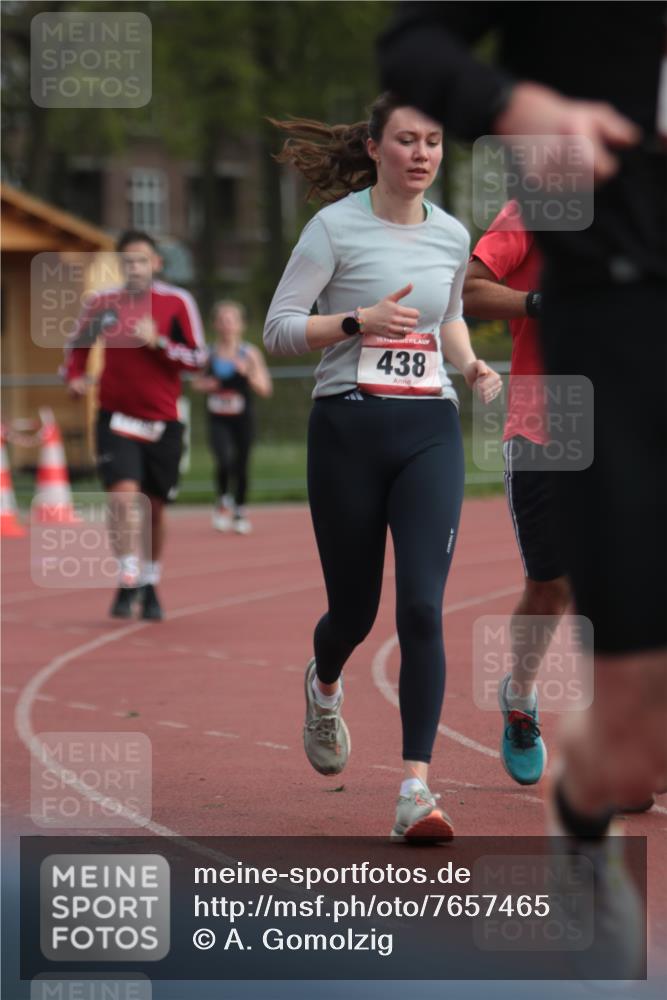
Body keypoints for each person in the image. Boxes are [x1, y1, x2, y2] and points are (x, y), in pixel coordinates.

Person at [379, 1, 666, 975]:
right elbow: (412, 43)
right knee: (602, 684)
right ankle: (572, 797)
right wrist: (517, 100)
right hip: (592, 370)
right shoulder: (530, 202)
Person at [263, 93, 502, 841]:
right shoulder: (333, 228)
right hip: (347, 429)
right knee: (355, 613)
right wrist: (353, 323)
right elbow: (277, 331)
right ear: (374, 148)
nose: (422, 153)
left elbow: (449, 313)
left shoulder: (453, 234)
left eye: (433, 140)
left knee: (423, 608)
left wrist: (466, 365)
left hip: (428, 428)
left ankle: (414, 791)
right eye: (406, 140)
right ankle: (324, 682)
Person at [463, 200, 569, 786]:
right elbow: (470, 291)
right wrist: (539, 303)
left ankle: (630, 731)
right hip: (545, 432)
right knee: (550, 588)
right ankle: (521, 696)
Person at [64, 230, 208, 621]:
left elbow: (197, 358)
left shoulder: (177, 302)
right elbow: (77, 346)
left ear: (157, 264)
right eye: (127, 261)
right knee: (123, 498)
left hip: (162, 420)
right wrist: (74, 376)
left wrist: (158, 341)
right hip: (115, 416)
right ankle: (128, 574)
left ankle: (149, 580)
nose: (135, 267)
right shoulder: (103, 303)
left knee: (155, 510)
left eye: (142, 260)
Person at [193, 300, 272, 535]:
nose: (227, 325)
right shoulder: (208, 353)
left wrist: (246, 373)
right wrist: (208, 385)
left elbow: (266, 389)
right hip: (218, 417)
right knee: (224, 459)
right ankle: (222, 501)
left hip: (243, 418)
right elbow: (196, 383)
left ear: (241, 325)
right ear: (215, 324)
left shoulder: (249, 353)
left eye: (232, 320)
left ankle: (240, 510)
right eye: (223, 320)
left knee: (242, 463)